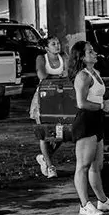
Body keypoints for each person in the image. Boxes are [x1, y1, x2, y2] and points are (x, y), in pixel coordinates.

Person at [69, 41, 109, 215]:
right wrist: (102, 106)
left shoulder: (96, 73)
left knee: (96, 165)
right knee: (82, 165)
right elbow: (81, 103)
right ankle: (84, 205)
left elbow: (97, 98)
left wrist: (104, 105)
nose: (94, 53)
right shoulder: (82, 76)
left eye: (93, 50)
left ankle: (103, 201)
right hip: (86, 122)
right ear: (82, 57)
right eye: (90, 51)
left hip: (97, 120)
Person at [30, 36, 66, 178]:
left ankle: (45, 158)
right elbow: (42, 75)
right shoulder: (41, 58)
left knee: (62, 132)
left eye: (58, 43)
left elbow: (70, 73)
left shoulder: (64, 57)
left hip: (62, 98)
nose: (57, 46)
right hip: (44, 98)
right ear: (46, 47)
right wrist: (60, 78)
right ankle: (50, 166)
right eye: (53, 44)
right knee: (45, 131)